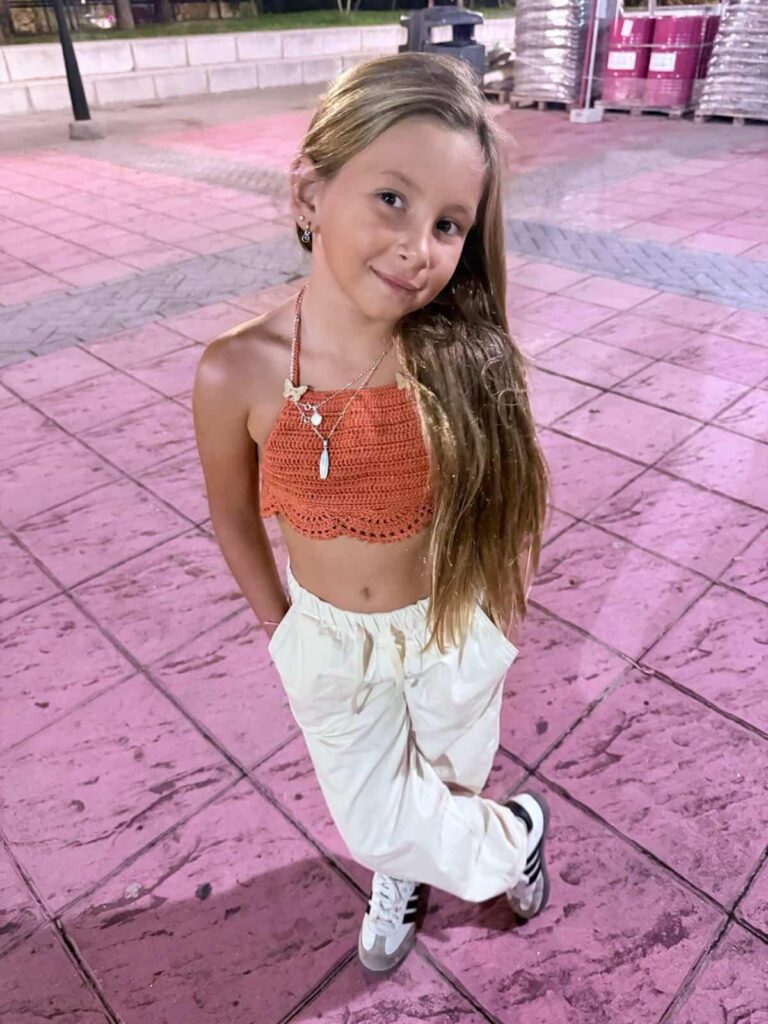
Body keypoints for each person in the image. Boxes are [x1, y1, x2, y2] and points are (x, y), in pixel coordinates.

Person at [193, 51, 551, 975]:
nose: (418, 246)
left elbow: (503, 503)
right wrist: (282, 630)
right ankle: (511, 838)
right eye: (392, 199)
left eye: (448, 224)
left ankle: (416, 862)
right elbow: (232, 514)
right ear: (310, 193)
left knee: (446, 779)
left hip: (448, 622)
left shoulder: (461, 359)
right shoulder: (237, 370)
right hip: (326, 638)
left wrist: (493, 611)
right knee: (375, 815)